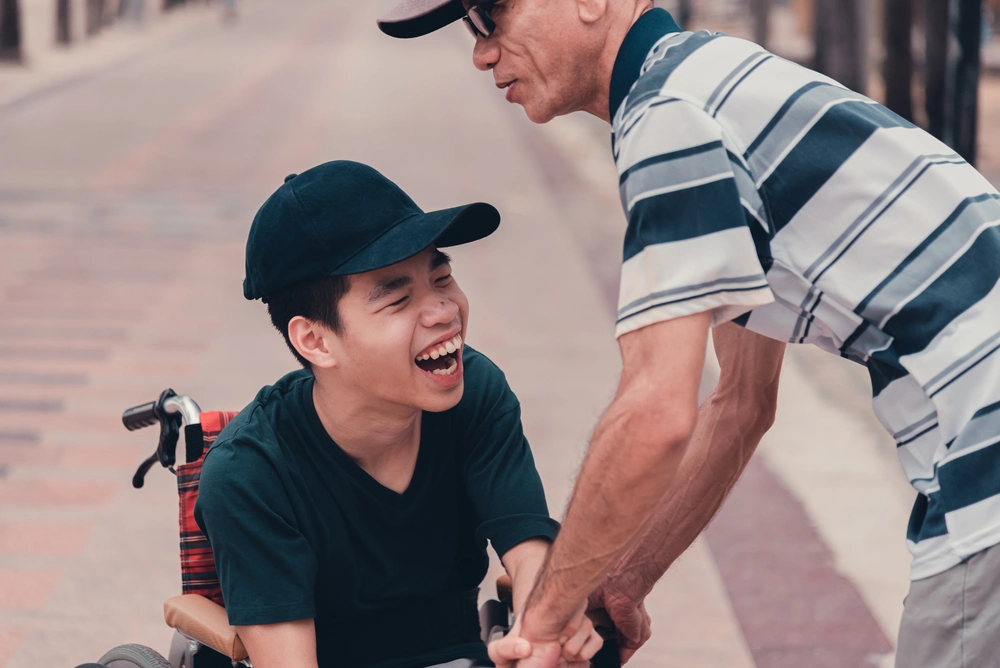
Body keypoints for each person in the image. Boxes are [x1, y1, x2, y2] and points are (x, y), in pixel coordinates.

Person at [378, 3, 1000, 667]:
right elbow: (740, 404)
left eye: (490, 15)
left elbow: (655, 411)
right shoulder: (707, 83)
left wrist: (544, 619)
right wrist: (621, 579)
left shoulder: (667, 121)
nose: (481, 53)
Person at [193, 161, 602, 668]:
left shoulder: (475, 394)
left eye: (442, 277)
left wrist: (543, 629)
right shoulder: (250, 474)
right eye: (400, 299)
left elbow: (527, 543)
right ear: (316, 341)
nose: (443, 311)